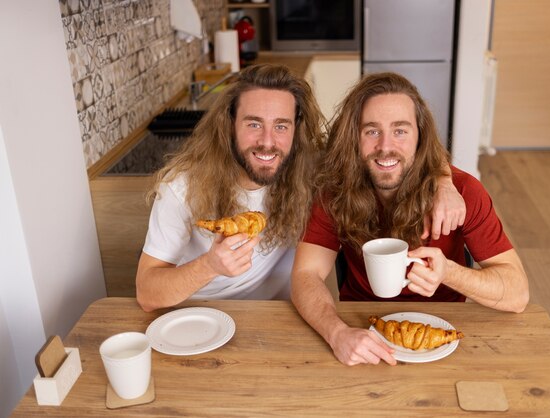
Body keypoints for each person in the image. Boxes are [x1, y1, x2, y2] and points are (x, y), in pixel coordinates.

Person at [136, 64, 464, 312]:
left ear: (296, 129)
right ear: (228, 125)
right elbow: (147, 294)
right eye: (253, 124)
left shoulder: (311, 169)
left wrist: (443, 179)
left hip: (283, 318)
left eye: (281, 126)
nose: (267, 142)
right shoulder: (182, 187)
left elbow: (387, 153)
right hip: (201, 319)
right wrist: (208, 266)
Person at [290, 72, 529, 366]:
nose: (385, 146)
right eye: (371, 131)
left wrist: (450, 273)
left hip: (446, 331)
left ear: (420, 137)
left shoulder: (464, 191)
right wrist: (337, 332)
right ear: (353, 137)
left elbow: (517, 293)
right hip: (362, 329)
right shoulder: (334, 193)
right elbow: (305, 275)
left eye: (400, 131)